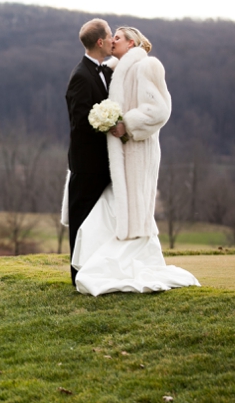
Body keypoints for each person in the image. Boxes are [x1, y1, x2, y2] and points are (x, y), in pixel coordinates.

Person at [72, 26, 199, 296]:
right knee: (110, 210)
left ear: (132, 43)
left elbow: (159, 111)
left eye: (117, 37)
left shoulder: (147, 66)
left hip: (138, 154)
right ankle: (99, 263)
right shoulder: (114, 70)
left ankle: (126, 262)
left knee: (133, 209)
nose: (112, 40)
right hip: (120, 159)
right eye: (111, 37)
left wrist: (126, 125)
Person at [62, 19, 115, 285]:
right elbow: (80, 122)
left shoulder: (103, 71)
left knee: (102, 221)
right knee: (82, 220)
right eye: (109, 35)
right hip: (87, 165)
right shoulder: (81, 76)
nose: (113, 39)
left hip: (104, 164)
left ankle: (100, 270)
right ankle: (79, 276)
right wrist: (109, 125)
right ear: (100, 42)